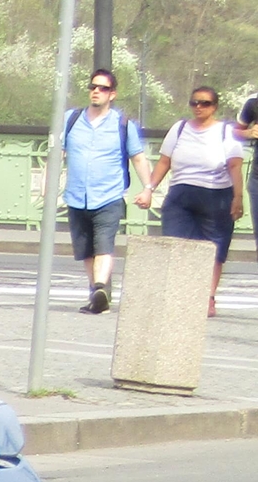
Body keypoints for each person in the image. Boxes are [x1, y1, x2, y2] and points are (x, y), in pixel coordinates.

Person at [137, 85, 245, 317]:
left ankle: (208, 297)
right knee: (176, 244)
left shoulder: (226, 132)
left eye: (205, 103)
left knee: (214, 248)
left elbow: (235, 167)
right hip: (181, 194)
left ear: (214, 107)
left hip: (216, 194)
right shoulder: (180, 128)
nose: (198, 107)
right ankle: (180, 294)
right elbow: (164, 162)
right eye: (194, 102)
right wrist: (149, 189)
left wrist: (237, 198)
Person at [61, 69, 145, 313]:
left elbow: (138, 158)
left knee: (104, 244)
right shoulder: (71, 118)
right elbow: (57, 153)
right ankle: (98, 293)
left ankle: (99, 286)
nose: (96, 91)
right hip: (77, 196)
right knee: (86, 250)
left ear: (113, 94)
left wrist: (148, 188)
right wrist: (47, 183)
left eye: (103, 88)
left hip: (109, 195)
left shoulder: (122, 124)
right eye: (93, 87)